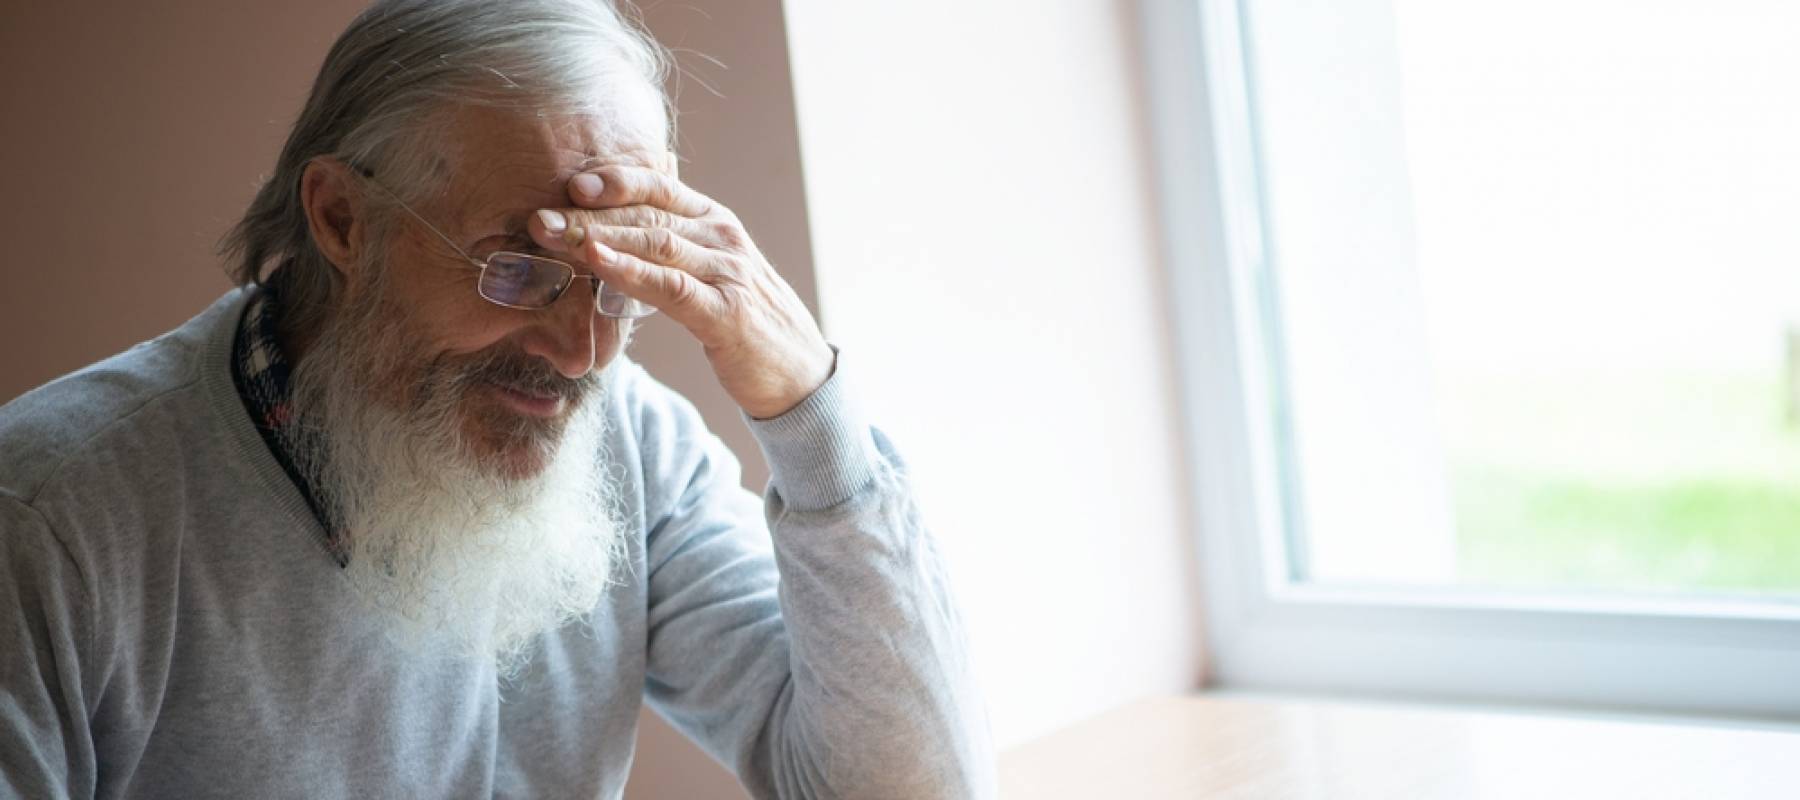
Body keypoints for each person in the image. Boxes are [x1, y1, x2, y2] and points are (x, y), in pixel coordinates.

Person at [0, 1, 994, 797]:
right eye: (519, 267)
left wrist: (808, 406)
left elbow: (909, 786)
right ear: (343, 218)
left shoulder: (631, 441)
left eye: (619, 280)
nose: (580, 354)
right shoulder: (50, 518)